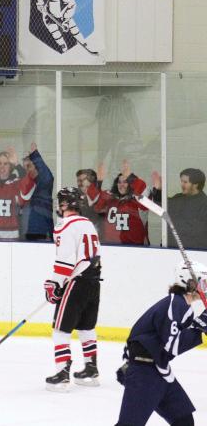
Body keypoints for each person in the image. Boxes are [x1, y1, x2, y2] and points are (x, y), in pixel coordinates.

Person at [115, 261, 207, 426]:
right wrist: (198, 327)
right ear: (189, 282)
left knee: (183, 420)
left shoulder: (183, 308)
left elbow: (170, 344)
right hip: (144, 372)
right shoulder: (174, 304)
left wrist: (198, 326)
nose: (205, 287)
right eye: (202, 282)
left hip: (159, 370)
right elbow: (173, 346)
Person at [44, 187, 102, 392]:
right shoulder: (89, 224)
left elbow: (65, 261)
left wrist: (54, 283)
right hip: (93, 281)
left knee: (61, 330)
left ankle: (62, 374)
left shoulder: (65, 225)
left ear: (64, 204)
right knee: (86, 327)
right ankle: (91, 369)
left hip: (76, 282)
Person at [88, 161, 149, 245]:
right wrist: (98, 182)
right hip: (111, 247)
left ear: (132, 184)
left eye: (125, 182)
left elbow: (142, 188)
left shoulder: (138, 203)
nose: (121, 185)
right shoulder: (110, 199)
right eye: (119, 182)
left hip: (136, 249)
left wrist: (130, 177)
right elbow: (95, 204)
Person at [150, 168, 207, 249]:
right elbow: (160, 208)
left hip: (193, 253)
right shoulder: (178, 198)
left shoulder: (204, 204)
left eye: (185, 182)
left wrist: (173, 222)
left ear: (196, 184)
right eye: (181, 181)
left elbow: (197, 230)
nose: (182, 184)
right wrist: (159, 190)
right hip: (169, 249)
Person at [21, 144, 54, 241]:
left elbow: (47, 176)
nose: (27, 169)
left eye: (29, 166)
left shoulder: (43, 185)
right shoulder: (24, 183)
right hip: (25, 234)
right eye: (24, 167)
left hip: (41, 233)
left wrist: (35, 156)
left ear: (37, 166)